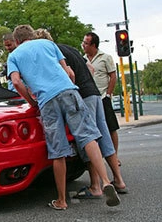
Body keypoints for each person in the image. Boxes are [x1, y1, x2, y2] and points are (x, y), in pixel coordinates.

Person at [8, 25, 120, 210]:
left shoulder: (14, 56)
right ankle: (106, 181)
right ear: (31, 35)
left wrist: (31, 102)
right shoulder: (47, 44)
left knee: (57, 149)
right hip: (68, 92)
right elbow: (70, 72)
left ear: (17, 41)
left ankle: (61, 200)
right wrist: (69, 89)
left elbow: (16, 82)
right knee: (88, 136)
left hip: (46, 101)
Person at [35, 29, 127, 198]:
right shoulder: (70, 49)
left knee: (87, 139)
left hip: (82, 96)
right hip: (94, 94)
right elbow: (90, 68)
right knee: (104, 137)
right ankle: (119, 180)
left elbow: (68, 74)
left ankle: (95, 186)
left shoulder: (53, 52)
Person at [82, 32, 121, 162]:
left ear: (93, 45)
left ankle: (114, 156)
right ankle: (98, 156)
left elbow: (113, 76)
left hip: (103, 96)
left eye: (86, 43)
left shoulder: (105, 57)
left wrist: (108, 94)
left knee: (110, 128)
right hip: (90, 98)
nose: (83, 45)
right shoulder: (83, 59)